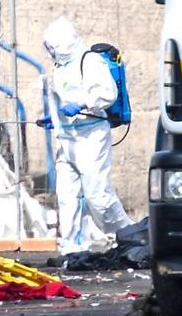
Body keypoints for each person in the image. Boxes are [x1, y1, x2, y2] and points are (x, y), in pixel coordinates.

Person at [42, 16, 141, 271]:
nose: (50, 50)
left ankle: (129, 237)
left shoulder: (90, 61)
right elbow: (61, 98)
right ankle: (73, 249)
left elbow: (108, 94)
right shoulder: (59, 67)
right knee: (67, 196)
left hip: (91, 137)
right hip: (68, 138)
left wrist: (83, 103)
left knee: (98, 195)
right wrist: (54, 118)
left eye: (52, 45)